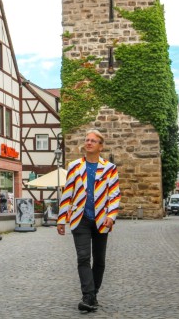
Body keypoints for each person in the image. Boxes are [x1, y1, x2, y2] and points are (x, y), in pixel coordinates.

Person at [56, 129, 121, 313]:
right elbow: (67, 193)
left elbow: (115, 195)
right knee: (83, 258)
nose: (89, 143)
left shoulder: (110, 168)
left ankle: (93, 294)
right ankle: (87, 296)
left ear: (101, 146)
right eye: (87, 140)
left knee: (99, 260)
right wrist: (61, 219)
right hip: (80, 218)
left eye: (93, 140)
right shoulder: (75, 166)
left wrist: (111, 216)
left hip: (102, 220)